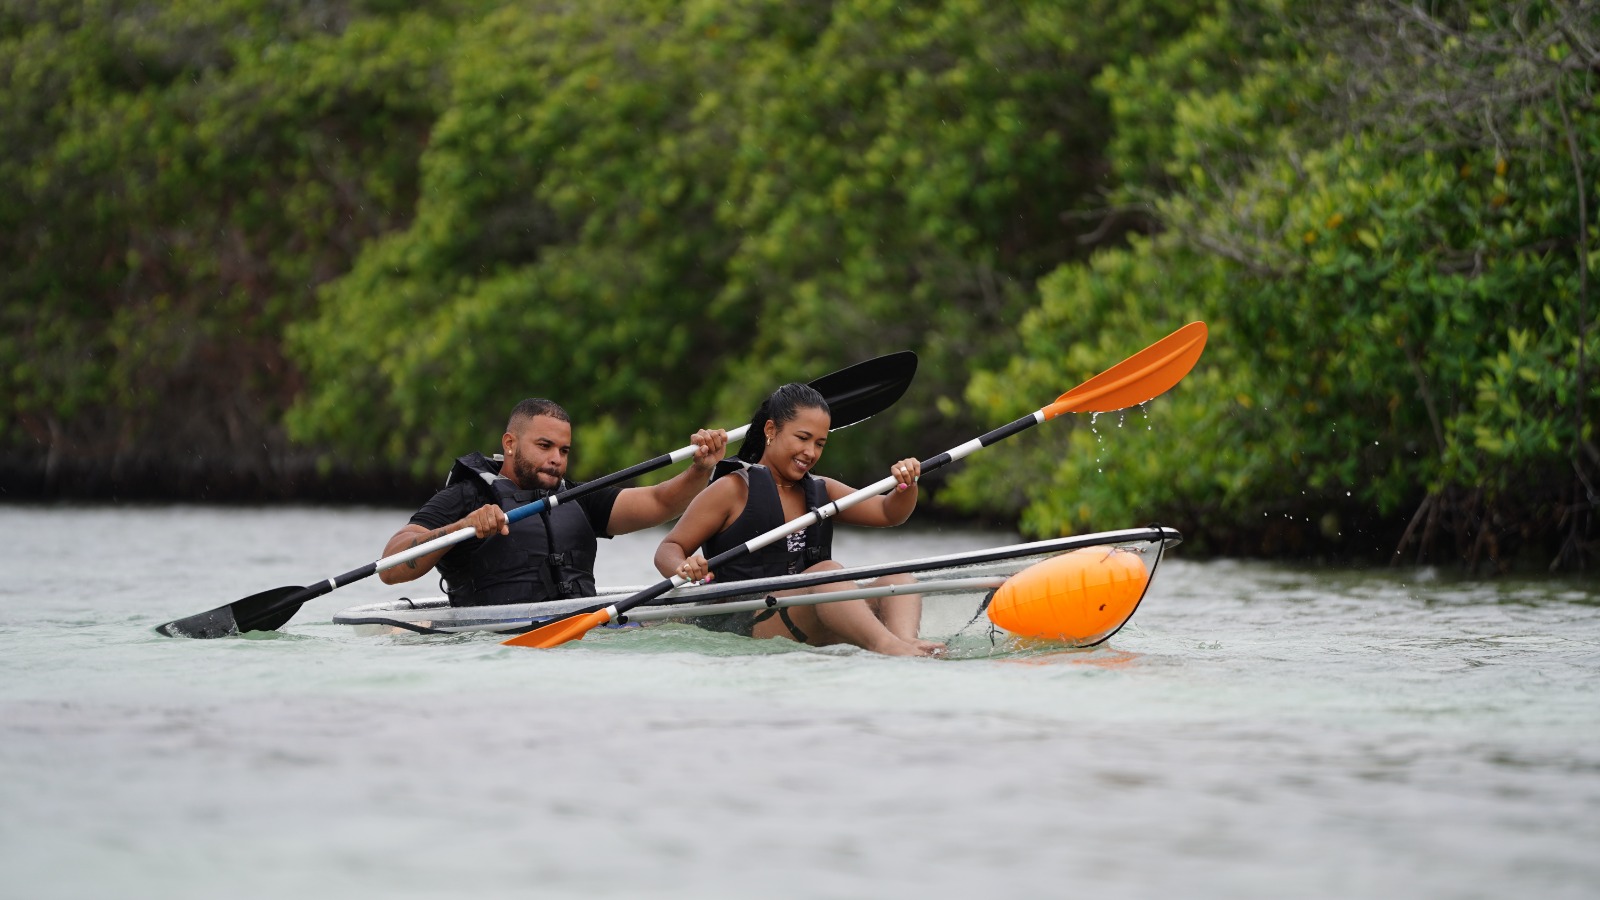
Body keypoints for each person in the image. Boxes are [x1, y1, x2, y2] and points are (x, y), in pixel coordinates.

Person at [653, 383, 944, 657]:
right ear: (771, 430)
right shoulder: (732, 489)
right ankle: (886, 646)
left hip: (807, 611)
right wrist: (684, 567)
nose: (810, 452)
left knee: (898, 580)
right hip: (745, 623)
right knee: (827, 572)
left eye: (820, 443)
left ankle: (906, 644)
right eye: (802, 438)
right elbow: (669, 548)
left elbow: (889, 513)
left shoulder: (821, 489)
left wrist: (907, 483)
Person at [380, 398, 727, 606]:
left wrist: (700, 469)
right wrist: (461, 527)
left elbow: (659, 502)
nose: (556, 459)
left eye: (564, 450)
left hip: (582, 633)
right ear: (510, 443)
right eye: (544, 446)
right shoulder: (466, 496)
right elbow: (391, 567)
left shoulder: (574, 497)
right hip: (494, 642)